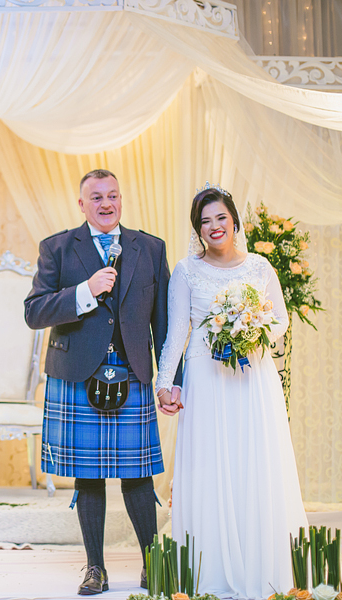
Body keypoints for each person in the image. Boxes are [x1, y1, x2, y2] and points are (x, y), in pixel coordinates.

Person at [24, 169, 182, 595]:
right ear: (82, 204)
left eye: (113, 195)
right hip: (77, 374)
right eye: (96, 197)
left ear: (121, 199)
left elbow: (165, 324)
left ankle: (153, 565)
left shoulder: (150, 248)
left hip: (132, 371)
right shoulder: (57, 248)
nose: (106, 203)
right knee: (88, 475)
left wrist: (172, 381)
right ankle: (96, 568)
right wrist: (85, 291)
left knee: (138, 474)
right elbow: (34, 312)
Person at [155, 185, 307, 599]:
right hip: (206, 382)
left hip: (253, 379)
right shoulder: (186, 271)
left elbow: (281, 321)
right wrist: (164, 384)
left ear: (234, 220)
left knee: (254, 463)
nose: (214, 226)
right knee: (212, 466)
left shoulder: (260, 266)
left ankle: (262, 567)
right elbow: (176, 334)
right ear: (197, 230)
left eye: (220, 217)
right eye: (205, 221)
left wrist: (252, 325)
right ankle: (214, 571)